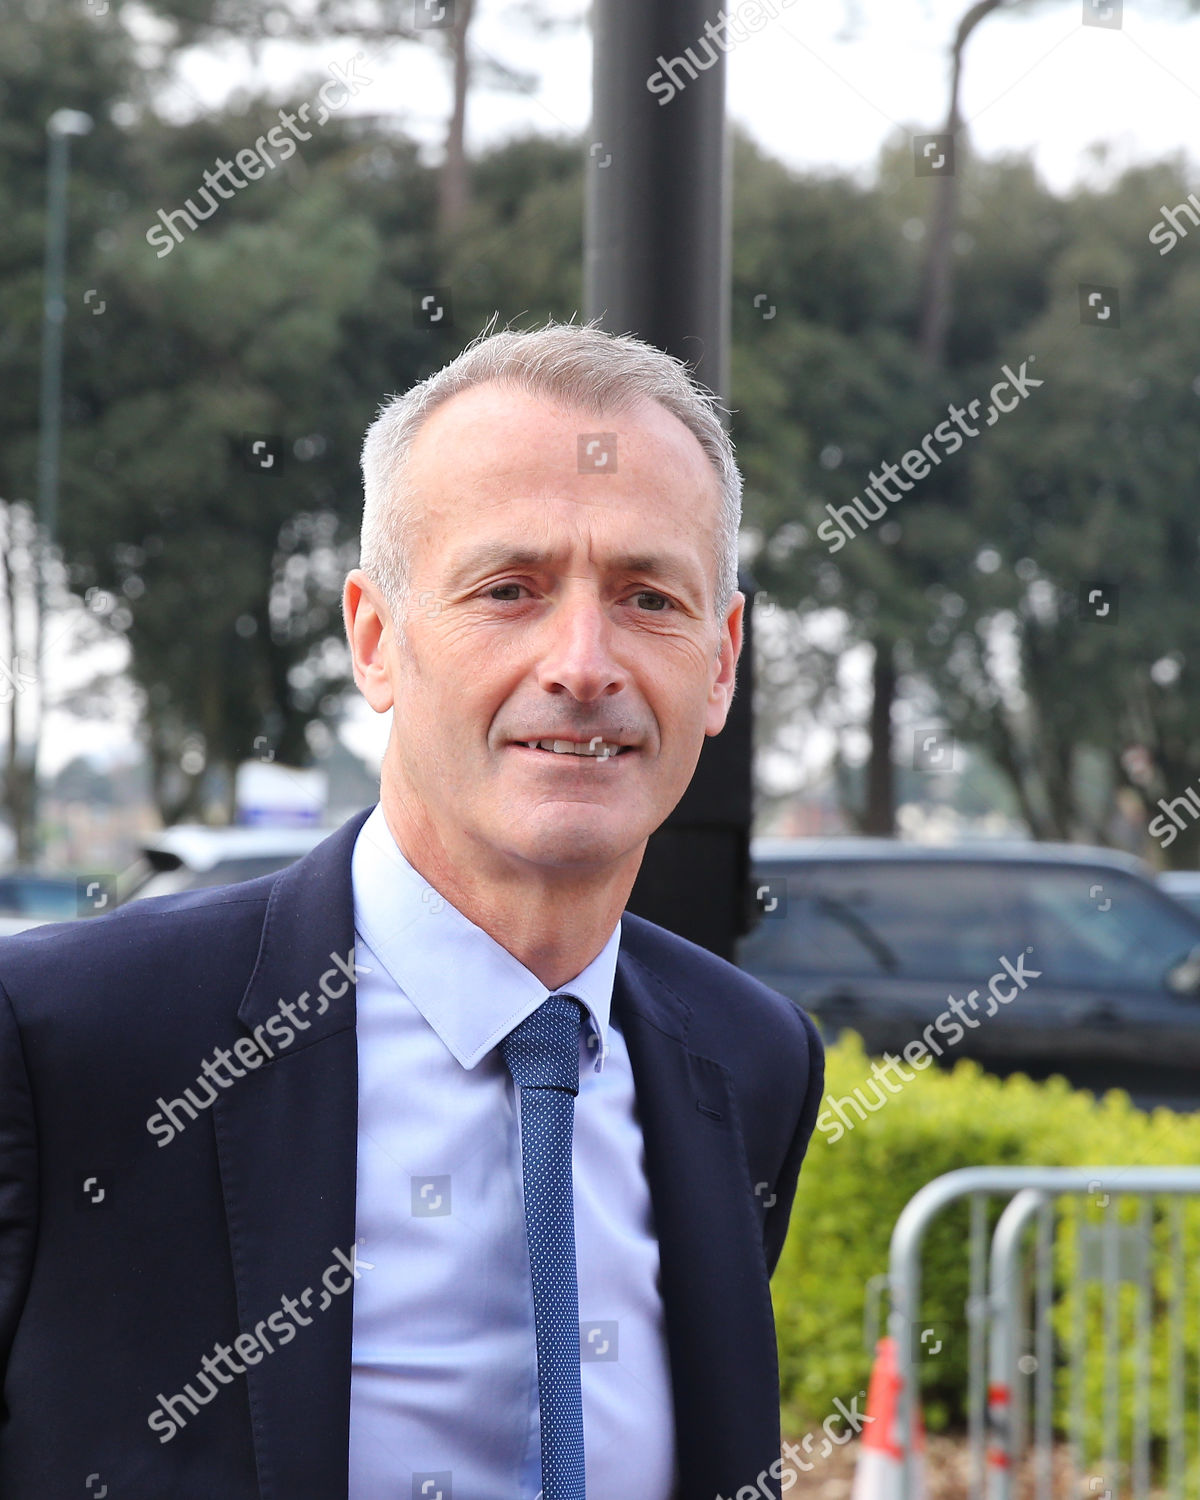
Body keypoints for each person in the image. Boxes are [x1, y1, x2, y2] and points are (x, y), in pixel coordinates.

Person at [0, 320, 823, 1499]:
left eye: (649, 597)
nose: (584, 662)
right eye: (510, 589)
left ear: (724, 659)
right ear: (376, 641)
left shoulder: (752, 1060)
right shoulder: (66, 1042)